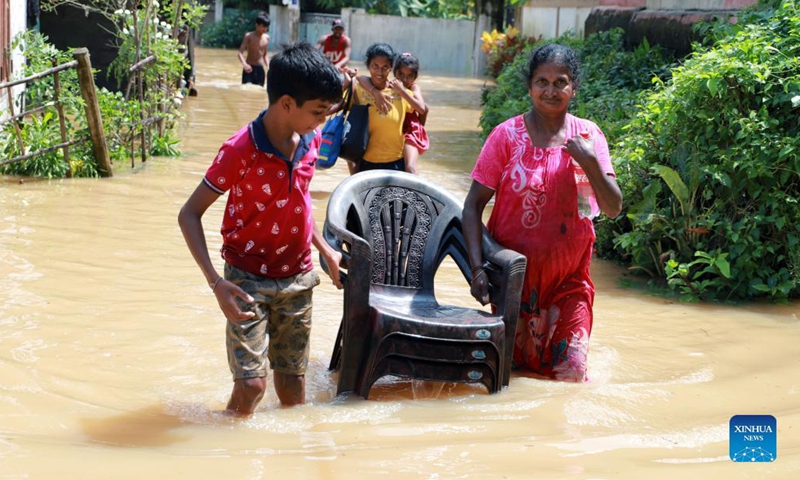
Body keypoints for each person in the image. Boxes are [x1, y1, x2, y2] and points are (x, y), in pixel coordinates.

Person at [178, 42, 344, 415]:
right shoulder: (240, 150)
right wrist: (216, 283)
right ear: (287, 103)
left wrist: (324, 248)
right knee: (252, 387)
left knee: (292, 388)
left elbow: (298, 201)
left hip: (298, 276)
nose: (322, 122)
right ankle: (225, 448)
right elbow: (189, 214)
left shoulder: (312, 139)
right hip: (246, 280)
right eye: (317, 112)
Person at [462, 44, 623, 383]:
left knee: (571, 376)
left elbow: (612, 207)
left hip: (570, 282)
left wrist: (589, 161)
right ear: (530, 86)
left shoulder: (589, 136)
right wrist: (477, 269)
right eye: (542, 81)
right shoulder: (506, 137)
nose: (551, 91)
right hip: (513, 283)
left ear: (573, 87)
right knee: (512, 379)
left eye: (560, 82)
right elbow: (472, 206)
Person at [348, 43, 427, 174]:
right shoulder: (358, 89)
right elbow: (337, 107)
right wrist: (347, 81)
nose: (379, 72)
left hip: (396, 162)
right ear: (368, 66)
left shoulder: (403, 92)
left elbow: (423, 109)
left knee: (409, 175)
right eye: (375, 66)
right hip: (366, 161)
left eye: (385, 67)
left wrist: (418, 131)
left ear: (390, 69)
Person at [238, 12, 270, 87]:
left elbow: (265, 55)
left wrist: (268, 67)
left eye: (266, 26)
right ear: (257, 25)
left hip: (260, 70)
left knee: (259, 91)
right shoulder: (248, 36)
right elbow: (240, 53)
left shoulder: (267, 38)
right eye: (263, 26)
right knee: (246, 90)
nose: (265, 29)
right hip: (249, 68)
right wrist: (244, 64)